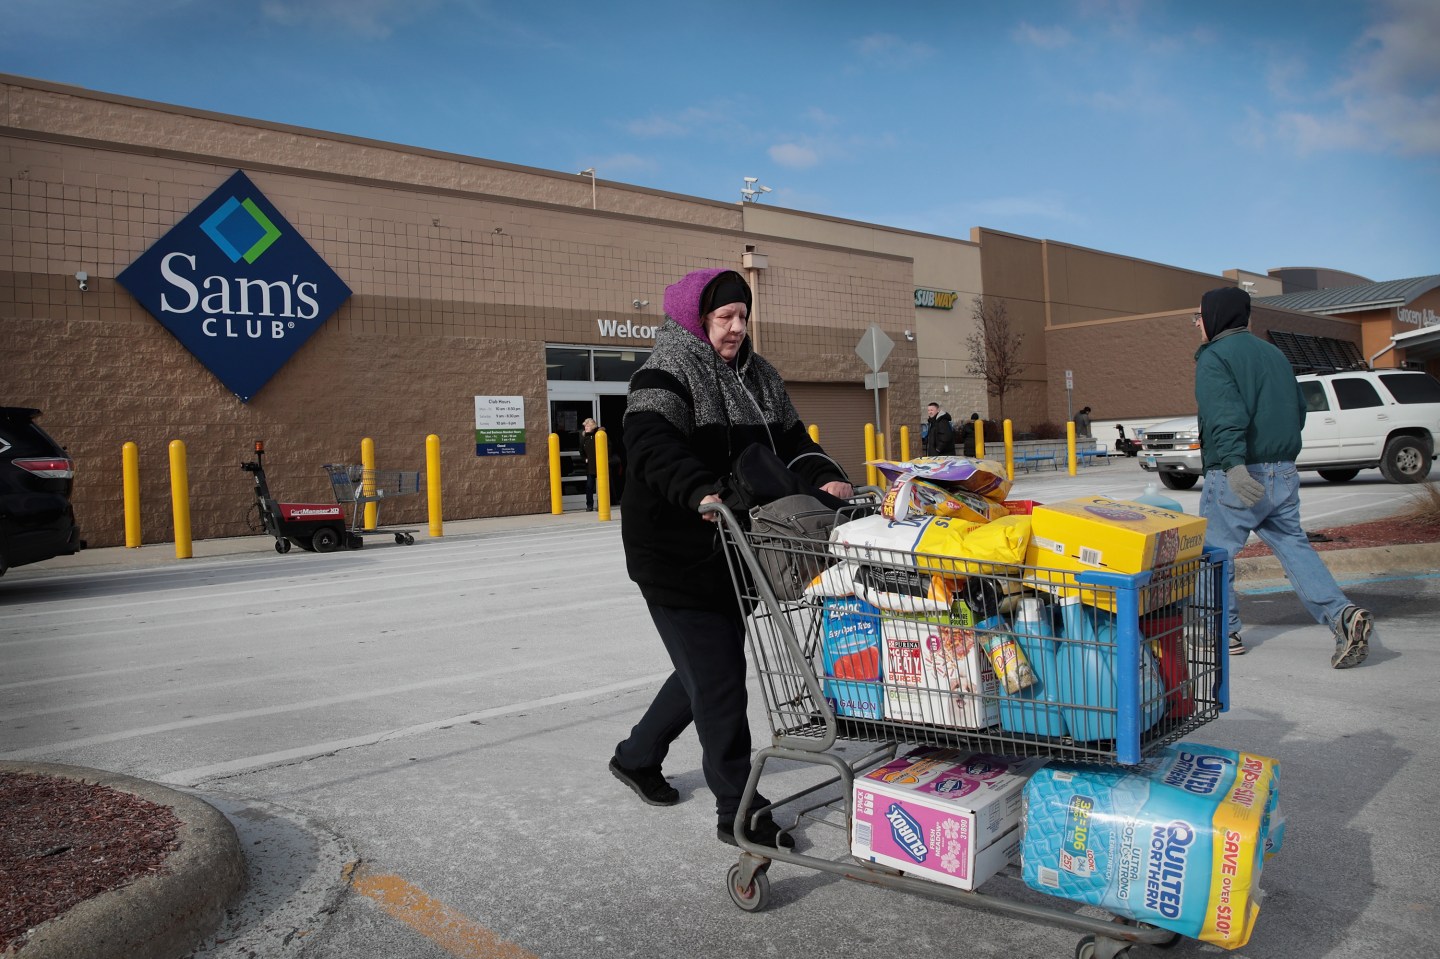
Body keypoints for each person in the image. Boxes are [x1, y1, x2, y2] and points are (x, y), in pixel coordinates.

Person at [611, 267, 854, 848]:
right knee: (719, 678)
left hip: (738, 550)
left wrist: (826, 476)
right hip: (675, 551)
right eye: (726, 317)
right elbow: (649, 443)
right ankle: (738, 810)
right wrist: (696, 487)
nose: (737, 327)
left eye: (744, 316)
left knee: (705, 668)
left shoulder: (760, 376)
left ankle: (636, 756)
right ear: (699, 317)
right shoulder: (666, 369)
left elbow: (794, 442)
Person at [1193, 286, 1373, 667]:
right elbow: (1297, 410)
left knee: (1212, 555)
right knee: (1294, 548)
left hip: (1237, 473)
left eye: (1199, 316)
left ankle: (1223, 634)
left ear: (1215, 317)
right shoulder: (1274, 353)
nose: (1197, 324)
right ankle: (1342, 616)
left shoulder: (1214, 357)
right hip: (1284, 472)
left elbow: (1224, 415)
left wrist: (1234, 465)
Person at [578, 417, 600, 511]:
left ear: (592, 426)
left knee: (602, 486)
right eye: (585, 426)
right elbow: (581, 450)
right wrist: (585, 459)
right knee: (589, 487)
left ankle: (603, 504)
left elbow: (608, 447)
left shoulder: (599, 435)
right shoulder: (584, 438)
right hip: (590, 467)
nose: (586, 427)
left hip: (600, 465)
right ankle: (589, 505)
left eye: (587, 425)